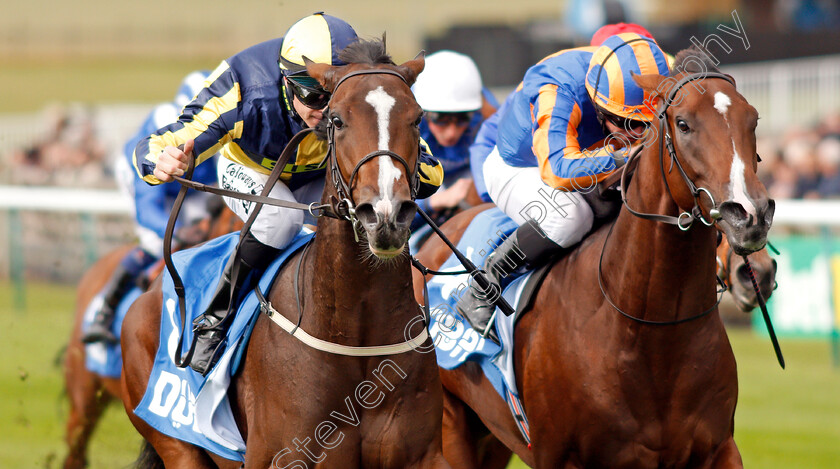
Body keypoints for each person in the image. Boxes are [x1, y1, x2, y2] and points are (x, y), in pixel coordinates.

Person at [133, 13, 443, 374]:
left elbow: (430, 174)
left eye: (336, 98)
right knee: (279, 221)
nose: (325, 111)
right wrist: (161, 160)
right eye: (313, 96)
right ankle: (216, 318)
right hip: (251, 169)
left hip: (323, 174)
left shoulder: (364, 94)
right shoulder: (241, 89)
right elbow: (163, 140)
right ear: (286, 81)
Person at [457, 33, 670, 336]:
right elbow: (557, 170)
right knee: (570, 217)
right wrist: (625, 155)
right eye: (627, 123)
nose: (638, 132)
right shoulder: (558, 90)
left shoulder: (636, 75)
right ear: (599, 106)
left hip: (586, 156)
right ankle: (485, 283)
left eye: (647, 124)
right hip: (520, 167)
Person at [82, 71, 217, 344]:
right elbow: (148, 211)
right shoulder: (162, 134)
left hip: (190, 181)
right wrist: (178, 232)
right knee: (156, 241)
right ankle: (104, 310)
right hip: (149, 176)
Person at [409, 50, 497, 228]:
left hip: (468, 178)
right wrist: (432, 202)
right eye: (440, 119)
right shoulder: (404, 124)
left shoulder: (488, 116)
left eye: (462, 119)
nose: (451, 133)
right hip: (422, 182)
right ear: (423, 113)